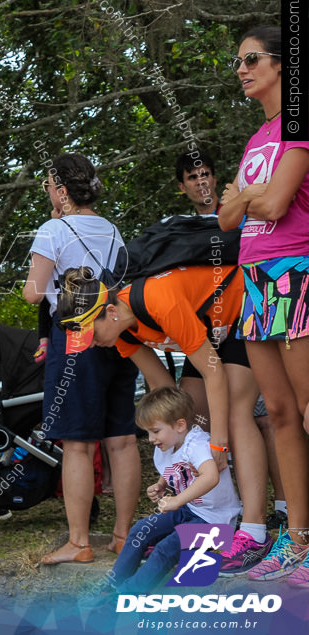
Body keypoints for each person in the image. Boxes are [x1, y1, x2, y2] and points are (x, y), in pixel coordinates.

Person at [57, 262, 273, 573]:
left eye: (90, 333)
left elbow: (214, 374)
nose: (90, 343)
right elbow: (166, 392)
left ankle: (253, 532)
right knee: (190, 420)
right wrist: (169, 444)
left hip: (241, 308)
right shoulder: (121, 334)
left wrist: (219, 444)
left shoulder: (159, 301)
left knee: (236, 415)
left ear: (111, 312)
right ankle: (201, 524)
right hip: (208, 328)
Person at [218, 25, 309, 585]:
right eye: (237, 63)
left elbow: (273, 203)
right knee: (276, 414)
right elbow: (227, 218)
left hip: (297, 271)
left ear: (282, 64)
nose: (242, 70)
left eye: (251, 59)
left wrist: (250, 196)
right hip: (253, 280)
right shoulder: (258, 141)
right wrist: (251, 198)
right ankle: (298, 540)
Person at [23, 153, 141, 565]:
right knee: (122, 439)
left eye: (48, 186)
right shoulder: (112, 230)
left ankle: (78, 542)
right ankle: (124, 536)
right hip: (117, 335)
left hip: (75, 337)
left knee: (76, 444)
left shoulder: (53, 228)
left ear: (60, 190)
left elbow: (33, 294)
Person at [101, 387, 239, 594]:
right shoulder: (169, 444)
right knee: (140, 529)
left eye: (155, 431)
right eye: (147, 432)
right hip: (190, 512)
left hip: (218, 526)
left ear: (180, 425)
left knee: (166, 548)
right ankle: (113, 583)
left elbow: (211, 476)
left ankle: (127, 593)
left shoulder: (197, 444)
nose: (150, 439)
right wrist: (161, 485)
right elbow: (174, 465)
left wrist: (176, 500)